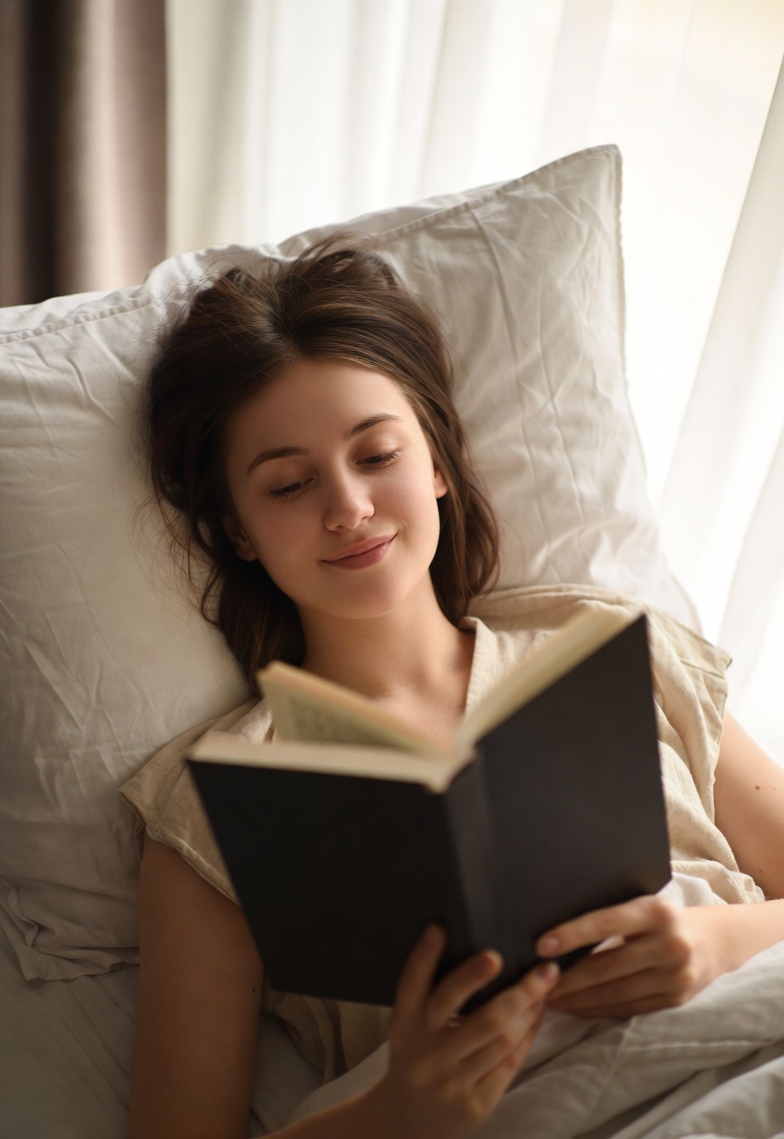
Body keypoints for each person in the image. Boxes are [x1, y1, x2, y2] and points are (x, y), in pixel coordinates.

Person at [121, 239, 784, 1139]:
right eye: (289, 483)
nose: (347, 505)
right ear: (238, 530)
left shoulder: (604, 642)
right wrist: (396, 1111)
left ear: (436, 462)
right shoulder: (218, 805)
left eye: (377, 453)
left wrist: (718, 945)